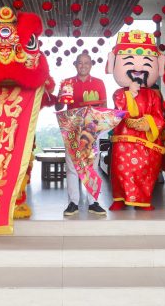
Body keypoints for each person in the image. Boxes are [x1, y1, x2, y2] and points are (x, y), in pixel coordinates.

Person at [106, 30, 165, 211]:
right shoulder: (119, 93)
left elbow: (159, 115)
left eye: (146, 63)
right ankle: (119, 198)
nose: (139, 70)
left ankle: (142, 199)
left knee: (145, 172)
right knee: (120, 170)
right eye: (130, 62)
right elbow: (120, 111)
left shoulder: (154, 94)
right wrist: (130, 93)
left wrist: (149, 122)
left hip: (146, 142)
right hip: (124, 141)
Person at [55, 53, 107, 216]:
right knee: (71, 167)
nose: (83, 65)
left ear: (91, 64)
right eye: (80, 63)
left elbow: (104, 107)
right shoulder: (67, 83)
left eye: (86, 63)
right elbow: (58, 107)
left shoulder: (99, 83)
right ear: (75, 64)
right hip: (71, 129)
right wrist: (61, 97)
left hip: (91, 129)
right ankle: (73, 202)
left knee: (91, 166)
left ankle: (93, 202)